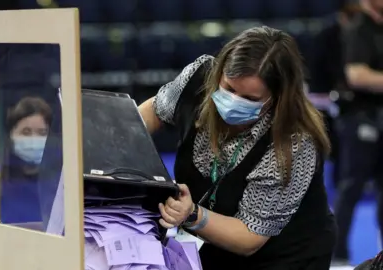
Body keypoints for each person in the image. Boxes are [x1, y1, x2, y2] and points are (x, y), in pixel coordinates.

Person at [138, 26, 336, 269]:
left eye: (251, 99)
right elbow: (155, 110)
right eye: (229, 88)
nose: (234, 101)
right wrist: (120, 138)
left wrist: (192, 214)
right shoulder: (200, 77)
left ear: (277, 97)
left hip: (285, 256)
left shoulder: (293, 144)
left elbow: (249, 237)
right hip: (218, 241)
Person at [333, 0, 383, 264]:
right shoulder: (358, 29)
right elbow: (357, 75)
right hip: (360, 120)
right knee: (351, 187)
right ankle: (338, 255)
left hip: (381, 118)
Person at [308, 2, 361, 189]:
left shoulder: (363, 36)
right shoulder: (326, 37)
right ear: (344, 17)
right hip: (324, 101)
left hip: (353, 103)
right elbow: (318, 80)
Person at [0, 96, 52, 224]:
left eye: (42, 133)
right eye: (26, 132)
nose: (34, 140)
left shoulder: (62, 183)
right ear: (12, 134)